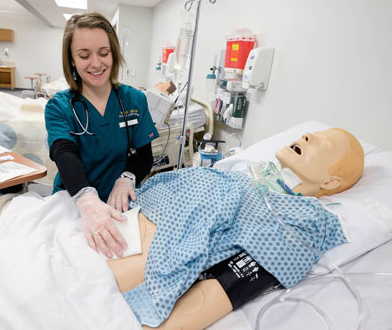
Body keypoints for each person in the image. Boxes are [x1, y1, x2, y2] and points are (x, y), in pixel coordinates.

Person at [107, 127, 365, 329]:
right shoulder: (237, 173)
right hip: (110, 229)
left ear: (330, 183)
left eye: (322, 144)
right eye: (312, 135)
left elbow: (225, 286)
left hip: (117, 268)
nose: (307, 136)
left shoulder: (302, 221)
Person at [45, 12, 159, 260]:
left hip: (122, 202)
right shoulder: (59, 106)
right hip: (74, 200)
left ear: (114, 54)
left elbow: (144, 155)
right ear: (72, 60)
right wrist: (86, 200)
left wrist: (127, 178)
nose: (96, 63)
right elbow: (64, 153)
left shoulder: (134, 99)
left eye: (103, 53)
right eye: (84, 55)